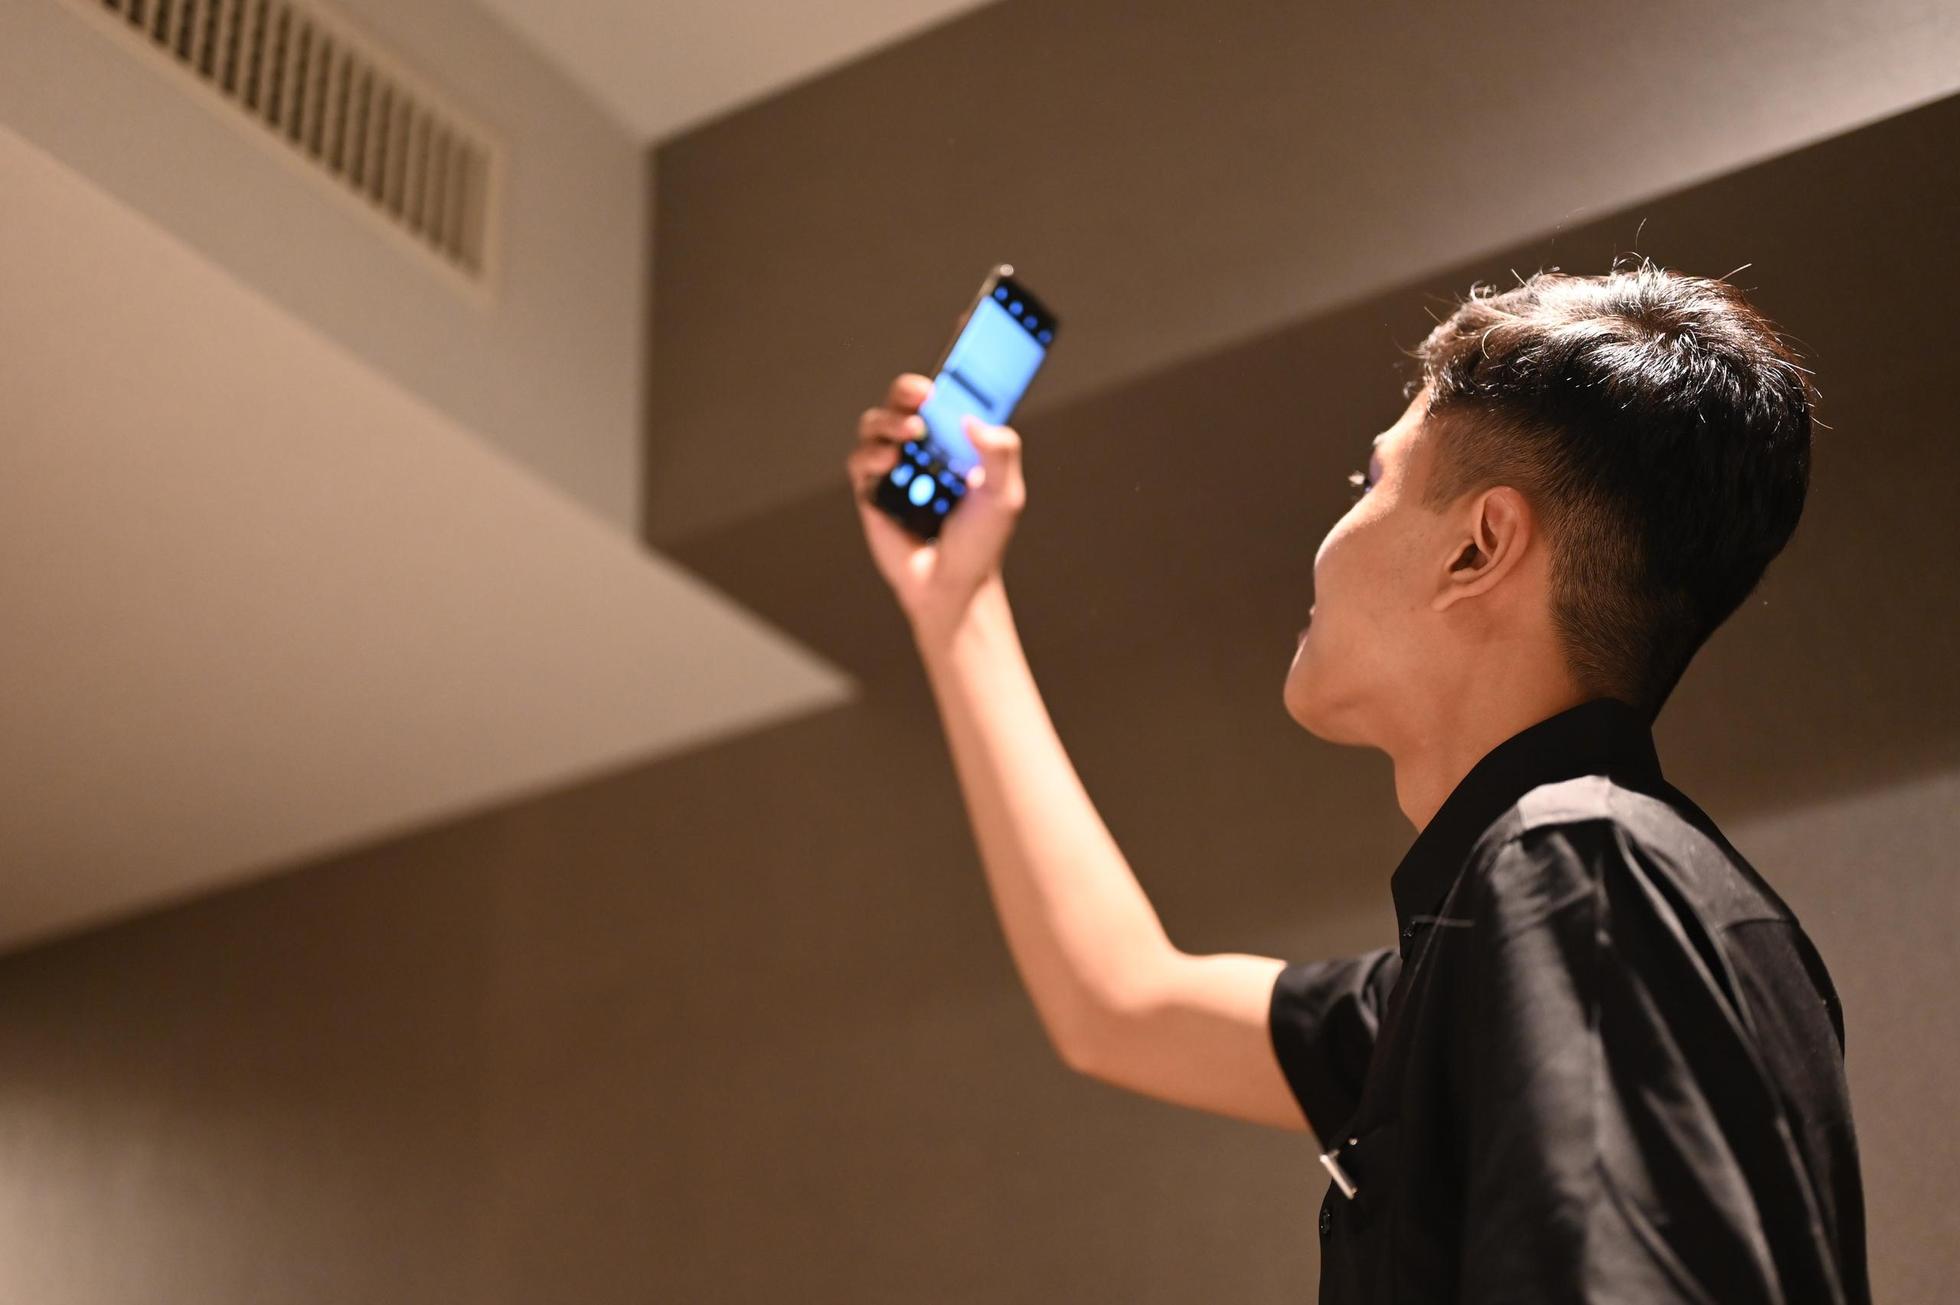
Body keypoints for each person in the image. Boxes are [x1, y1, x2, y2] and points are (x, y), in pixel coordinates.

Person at [843, 257, 1869, 1303]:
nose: (1335, 530)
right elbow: (1121, 1004)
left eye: (1369, 481)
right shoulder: (1568, 920)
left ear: (1477, 549)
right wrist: (956, 605)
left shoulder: (1581, 875)